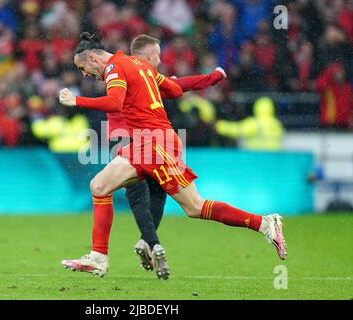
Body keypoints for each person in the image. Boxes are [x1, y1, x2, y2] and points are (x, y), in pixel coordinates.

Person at [59, 32, 287, 278]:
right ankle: (98, 257)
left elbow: (115, 103)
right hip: (143, 143)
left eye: (83, 68)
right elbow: (175, 89)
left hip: (156, 144)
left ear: (92, 58)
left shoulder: (115, 68)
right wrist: (211, 78)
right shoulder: (139, 65)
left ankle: (264, 224)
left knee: (195, 207)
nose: (84, 74)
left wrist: (77, 101)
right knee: (99, 185)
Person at [115, 34, 226, 279]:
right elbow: (179, 85)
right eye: (157, 54)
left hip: (128, 142)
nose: (161, 58)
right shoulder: (141, 77)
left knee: (140, 195)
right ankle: (149, 243)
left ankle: (149, 242)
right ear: (145, 56)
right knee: (154, 193)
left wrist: (213, 77)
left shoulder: (132, 75)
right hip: (139, 143)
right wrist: (214, 77)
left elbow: (178, 85)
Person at [215, 96, 285, 151]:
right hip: (274, 159)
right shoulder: (277, 124)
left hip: (256, 157)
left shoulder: (255, 123)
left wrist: (220, 126)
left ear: (256, 108)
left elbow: (237, 130)